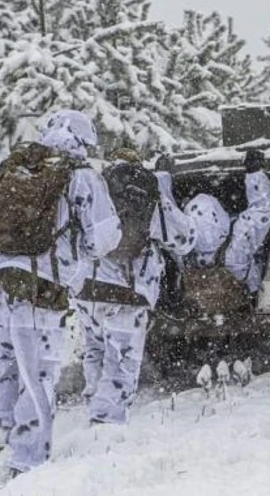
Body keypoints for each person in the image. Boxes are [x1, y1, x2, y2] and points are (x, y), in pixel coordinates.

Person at [0, 110, 121, 476]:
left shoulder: (5, 167)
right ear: (83, 141)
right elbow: (104, 238)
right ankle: (27, 459)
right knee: (39, 372)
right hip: (41, 286)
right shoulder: (81, 177)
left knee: (5, 353)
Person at [72, 148, 197, 426]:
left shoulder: (93, 189)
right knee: (122, 362)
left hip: (87, 289)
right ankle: (106, 424)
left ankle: (94, 410)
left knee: (95, 351)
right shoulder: (145, 194)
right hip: (127, 292)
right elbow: (184, 239)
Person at [184, 150, 270, 294]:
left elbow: (166, 223)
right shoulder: (237, 243)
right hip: (254, 297)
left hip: (206, 306)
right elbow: (264, 209)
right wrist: (254, 174)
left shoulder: (186, 252)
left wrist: (162, 177)